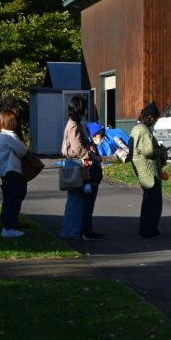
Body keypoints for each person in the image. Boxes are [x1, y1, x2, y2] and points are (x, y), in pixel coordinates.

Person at [61, 96, 100, 239]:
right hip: (77, 164)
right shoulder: (74, 126)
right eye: (83, 108)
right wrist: (92, 156)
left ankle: (76, 230)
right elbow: (78, 149)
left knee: (77, 199)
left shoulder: (73, 123)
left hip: (74, 163)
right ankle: (71, 232)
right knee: (76, 201)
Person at [129, 102, 166, 238]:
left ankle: (147, 229)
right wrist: (160, 150)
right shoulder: (143, 130)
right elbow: (148, 150)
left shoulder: (136, 128)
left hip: (144, 170)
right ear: (149, 117)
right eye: (154, 119)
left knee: (149, 202)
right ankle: (149, 230)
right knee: (153, 203)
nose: (154, 122)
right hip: (149, 172)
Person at [0, 109, 27, 238]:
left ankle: (8, 224)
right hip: (11, 170)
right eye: (13, 120)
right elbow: (23, 151)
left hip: (4, 171)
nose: (16, 123)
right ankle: (8, 227)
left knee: (9, 198)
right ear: (8, 122)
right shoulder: (9, 136)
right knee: (13, 199)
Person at [80, 122, 106, 240]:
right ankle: (86, 230)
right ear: (93, 135)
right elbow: (89, 161)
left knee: (89, 206)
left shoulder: (92, 146)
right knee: (88, 207)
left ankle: (87, 229)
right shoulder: (90, 147)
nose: (102, 138)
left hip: (93, 180)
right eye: (100, 135)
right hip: (90, 181)